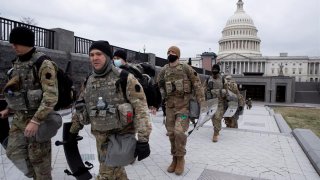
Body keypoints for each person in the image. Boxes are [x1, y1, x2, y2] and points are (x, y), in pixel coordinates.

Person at [69, 41, 151, 180]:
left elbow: (141, 109)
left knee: (106, 174)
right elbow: (81, 105)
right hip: (100, 137)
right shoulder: (89, 80)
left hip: (120, 137)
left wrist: (143, 140)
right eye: (91, 55)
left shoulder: (125, 78)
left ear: (108, 56)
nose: (94, 58)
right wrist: (73, 130)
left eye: (99, 54)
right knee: (117, 173)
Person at [0, 26, 58, 179]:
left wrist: (36, 121)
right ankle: (37, 175)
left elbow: (51, 96)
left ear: (26, 42)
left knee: (39, 160)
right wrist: (9, 108)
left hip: (37, 121)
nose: (13, 46)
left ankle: (42, 175)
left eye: (16, 43)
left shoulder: (43, 63)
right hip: (19, 119)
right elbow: (17, 91)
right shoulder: (17, 63)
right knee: (13, 152)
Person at [157, 46, 205, 175]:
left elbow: (197, 84)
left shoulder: (185, 68)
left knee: (179, 132)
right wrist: (162, 96)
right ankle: (174, 158)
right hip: (170, 108)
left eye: (173, 52)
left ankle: (181, 158)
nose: (170, 54)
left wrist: (202, 103)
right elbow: (159, 83)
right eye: (168, 52)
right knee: (171, 134)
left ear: (178, 55)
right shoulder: (164, 70)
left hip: (183, 108)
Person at [204, 64, 227, 142]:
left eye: (216, 70)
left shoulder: (223, 79)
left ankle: (215, 133)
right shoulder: (208, 79)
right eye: (213, 69)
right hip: (211, 102)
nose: (214, 71)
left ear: (218, 70)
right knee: (213, 118)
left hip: (220, 102)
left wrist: (221, 92)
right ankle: (216, 129)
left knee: (217, 117)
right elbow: (203, 89)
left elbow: (226, 90)